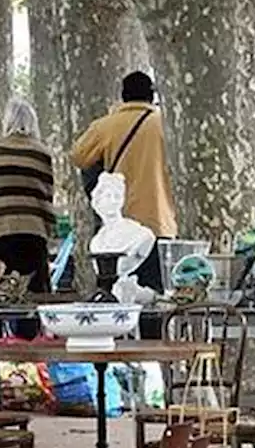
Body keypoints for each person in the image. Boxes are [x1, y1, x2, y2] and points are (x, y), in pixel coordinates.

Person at [71, 71, 178, 293]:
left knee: (121, 298)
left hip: (121, 229)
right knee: (155, 297)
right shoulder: (166, 124)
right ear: (152, 95)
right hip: (161, 221)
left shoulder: (106, 125)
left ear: (123, 96)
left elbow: (78, 156)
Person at [0, 98, 55, 339]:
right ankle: (30, 348)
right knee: (32, 296)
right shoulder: (42, 154)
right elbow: (47, 195)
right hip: (32, 231)